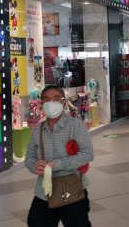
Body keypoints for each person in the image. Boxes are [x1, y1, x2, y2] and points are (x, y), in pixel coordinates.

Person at [25, 85, 94, 227]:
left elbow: (88, 154)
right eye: (47, 100)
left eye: (56, 99)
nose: (52, 103)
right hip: (44, 192)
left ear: (63, 103)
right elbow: (29, 157)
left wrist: (55, 165)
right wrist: (34, 166)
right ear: (42, 103)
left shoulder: (76, 126)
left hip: (73, 189)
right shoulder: (38, 129)